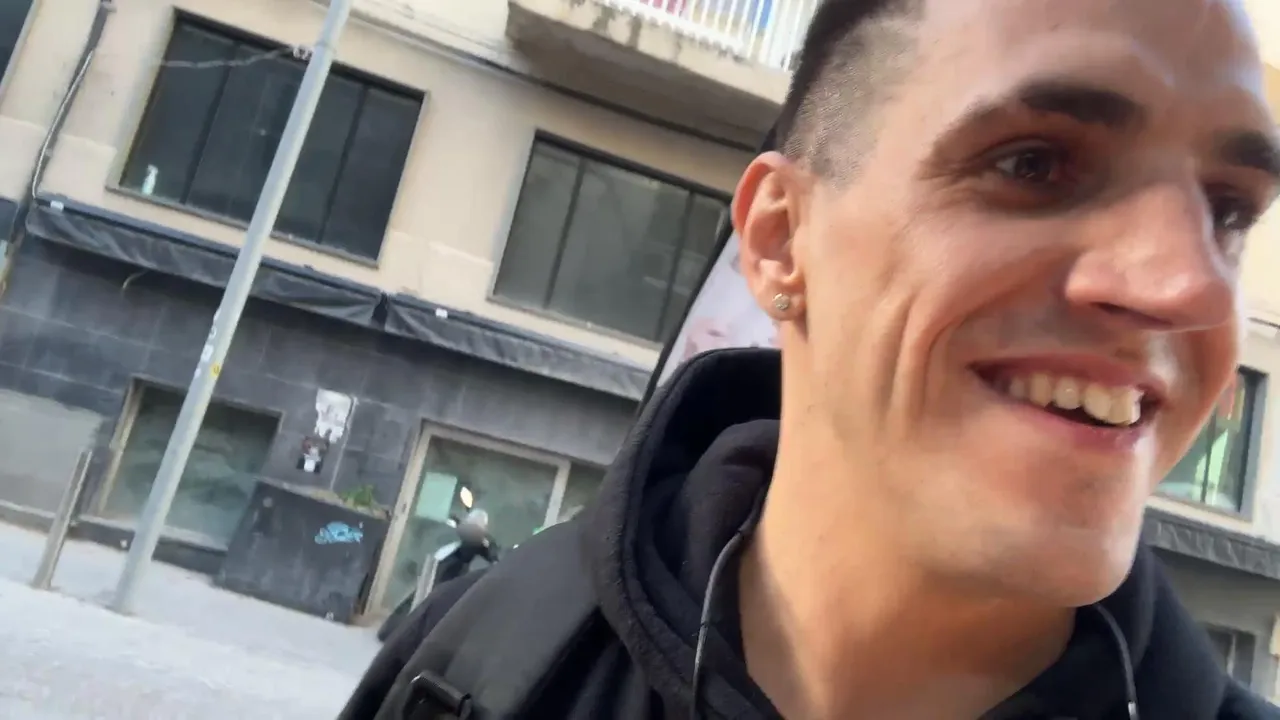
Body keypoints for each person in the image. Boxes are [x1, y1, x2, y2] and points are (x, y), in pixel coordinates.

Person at [340, 0, 1280, 717]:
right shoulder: (479, 664)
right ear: (782, 240)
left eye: (1229, 212)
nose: (1186, 287)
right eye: (1033, 164)